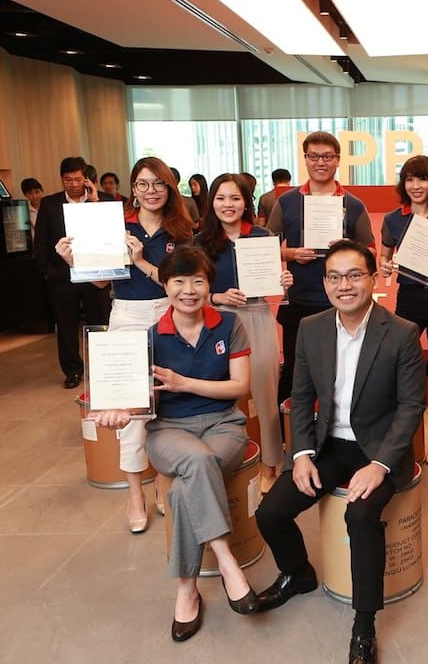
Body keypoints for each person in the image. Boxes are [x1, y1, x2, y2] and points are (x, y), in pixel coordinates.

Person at [255, 240, 425, 664]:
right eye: (334, 276)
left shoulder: (401, 332)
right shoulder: (311, 328)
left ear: (373, 278)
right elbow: (300, 395)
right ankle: (298, 573)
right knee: (270, 512)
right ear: (324, 282)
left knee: (361, 516)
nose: (343, 285)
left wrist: (380, 465)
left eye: (354, 275)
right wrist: (301, 454)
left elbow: (411, 407)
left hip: (379, 448)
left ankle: (364, 626)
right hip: (328, 445)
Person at [92, 247, 261, 642]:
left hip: (224, 425)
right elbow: (140, 400)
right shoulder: (149, 337)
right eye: (179, 281)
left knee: (187, 485)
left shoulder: (230, 324)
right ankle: (227, 561)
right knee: (197, 463)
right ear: (165, 286)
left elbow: (240, 387)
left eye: (198, 281)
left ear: (209, 285)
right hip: (169, 430)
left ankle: (187, 588)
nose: (189, 290)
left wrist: (185, 384)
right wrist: (120, 411)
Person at [111, 156, 195, 532]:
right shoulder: (117, 225)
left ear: (169, 188)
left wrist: (142, 260)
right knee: (131, 405)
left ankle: (162, 481)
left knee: (167, 401)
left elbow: (181, 283)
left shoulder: (181, 230)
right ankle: (135, 494)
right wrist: (73, 261)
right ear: (133, 189)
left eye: (159, 184)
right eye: (143, 184)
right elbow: (100, 282)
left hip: (169, 312)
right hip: (126, 314)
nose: (151, 191)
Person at [197, 173, 293, 494]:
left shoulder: (263, 236)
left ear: (246, 202)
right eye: (221, 198)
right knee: (221, 393)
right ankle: (226, 458)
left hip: (257, 316)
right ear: (212, 202)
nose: (228, 205)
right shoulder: (201, 242)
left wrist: (283, 282)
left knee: (265, 390)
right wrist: (218, 297)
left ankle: (270, 462)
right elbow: (192, 290)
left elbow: (271, 281)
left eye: (235, 198)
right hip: (217, 320)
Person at [267, 131, 375, 406]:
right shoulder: (287, 201)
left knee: (341, 373)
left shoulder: (353, 204)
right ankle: (290, 429)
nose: (320, 162)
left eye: (327, 157)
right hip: (299, 300)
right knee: (295, 372)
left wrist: (349, 247)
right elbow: (265, 248)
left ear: (337, 160)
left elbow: (371, 252)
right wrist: (291, 253)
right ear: (305, 159)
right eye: (314, 156)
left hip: (343, 302)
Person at [378, 155, 428, 465]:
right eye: (409, 179)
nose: (416, 185)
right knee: (402, 366)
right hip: (408, 298)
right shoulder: (393, 219)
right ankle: (403, 433)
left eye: (422, 179)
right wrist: (384, 266)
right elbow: (384, 257)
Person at [32, 157, 112, 389]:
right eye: (68, 180)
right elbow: (41, 241)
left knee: (100, 322)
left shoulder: (102, 200)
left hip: (96, 275)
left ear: (86, 178)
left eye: (78, 179)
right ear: (61, 179)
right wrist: (47, 271)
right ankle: (72, 371)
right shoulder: (50, 203)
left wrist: (95, 202)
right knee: (66, 325)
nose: (74, 184)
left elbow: (109, 232)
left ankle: (103, 368)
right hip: (61, 276)